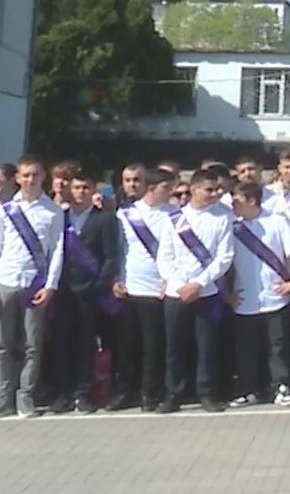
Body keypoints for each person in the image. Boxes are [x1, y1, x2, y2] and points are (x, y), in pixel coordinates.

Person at [0, 156, 65, 419]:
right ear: (17, 178)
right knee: (2, 344)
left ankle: (25, 397)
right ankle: (2, 398)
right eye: (25, 175)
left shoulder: (53, 211)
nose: (30, 180)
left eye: (35, 175)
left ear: (43, 177)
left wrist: (50, 285)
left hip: (35, 283)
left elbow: (57, 251)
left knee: (32, 344)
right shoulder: (5, 210)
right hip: (5, 280)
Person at [158, 168, 235, 413]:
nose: (215, 194)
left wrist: (198, 283)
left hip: (207, 291)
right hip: (177, 292)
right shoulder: (174, 219)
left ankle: (206, 392)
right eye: (209, 190)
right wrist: (181, 285)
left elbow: (224, 257)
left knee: (207, 345)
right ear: (194, 190)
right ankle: (174, 392)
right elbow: (164, 257)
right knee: (174, 346)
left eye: (217, 189)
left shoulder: (222, 218)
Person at [51, 164, 119, 414]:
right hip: (63, 289)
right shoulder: (60, 217)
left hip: (89, 290)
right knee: (62, 342)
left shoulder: (105, 218)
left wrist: (100, 284)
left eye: (85, 188)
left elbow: (111, 255)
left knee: (85, 343)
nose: (80, 192)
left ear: (93, 191)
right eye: (76, 187)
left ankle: (83, 393)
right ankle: (64, 393)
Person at [227, 181, 290, 406]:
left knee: (278, 346)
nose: (233, 204)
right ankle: (248, 389)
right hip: (244, 297)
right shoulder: (232, 228)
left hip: (275, 295)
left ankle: (281, 387)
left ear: (251, 201)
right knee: (246, 348)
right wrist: (227, 293)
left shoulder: (277, 221)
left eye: (237, 200)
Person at [111, 167, 173, 411]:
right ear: (152, 188)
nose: (170, 192)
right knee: (127, 345)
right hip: (129, 287)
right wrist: (115, 278)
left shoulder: (175, 214)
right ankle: (126, 390)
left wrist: (170, 280)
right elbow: (118, 249)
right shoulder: (125, 214)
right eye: (166, 188)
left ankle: (150, 392)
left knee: (153, 346)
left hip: (157, 289)